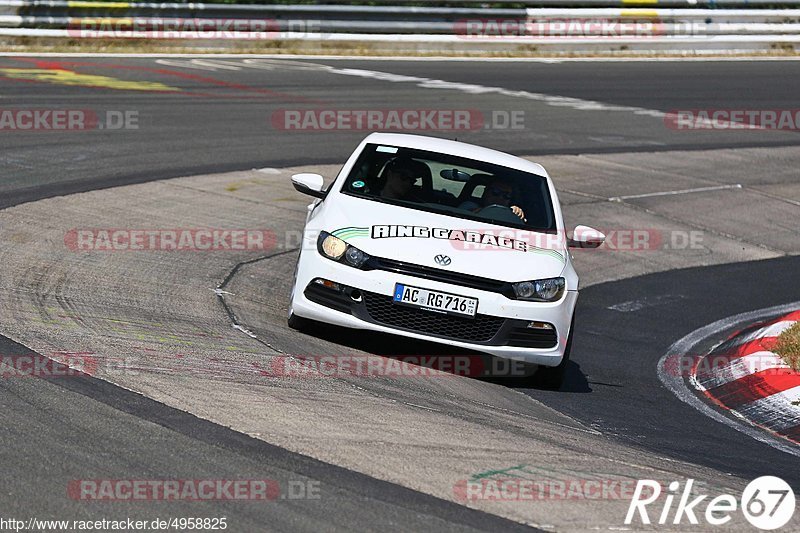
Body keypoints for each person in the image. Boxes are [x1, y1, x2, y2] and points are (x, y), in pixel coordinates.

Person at [460, 177, 526, 221]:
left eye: (506, 195)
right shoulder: (469, 205)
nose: (500, 198)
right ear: (485, 192)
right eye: (496, 192)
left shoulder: (511, 213)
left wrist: (516, 214)